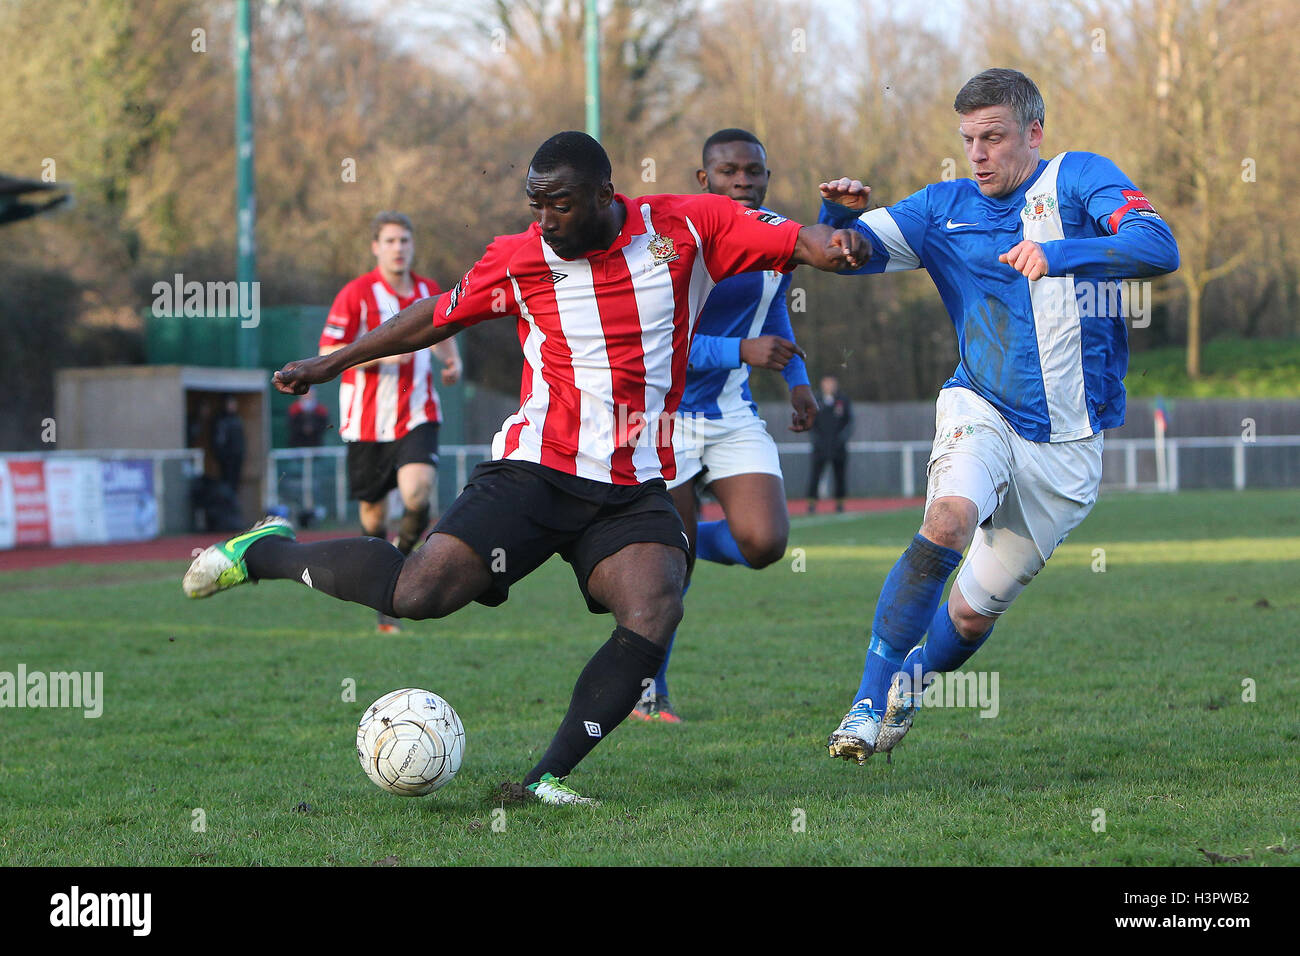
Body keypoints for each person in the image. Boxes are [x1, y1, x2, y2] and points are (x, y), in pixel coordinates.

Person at [182, 131, 868, 805]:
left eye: (559, 204)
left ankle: (542, 780)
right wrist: (331, 362)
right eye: (535, 203)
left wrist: (838, 244)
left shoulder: (688, 225)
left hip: (632, 484)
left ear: (606, 195)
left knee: (655, 604)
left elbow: (796, 243)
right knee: (419, 595)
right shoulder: (521, 257)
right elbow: (437, 316)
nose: (544, 219)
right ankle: (264, 552)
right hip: (536, 469)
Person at [818, 68, 1178, 764]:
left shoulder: (1079, 179)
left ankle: (914, 683)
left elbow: (1158, 246)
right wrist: (838, 217)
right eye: (968, 139)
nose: (978, 154)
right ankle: (865, 702)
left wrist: (1060, 254)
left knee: (972, 615)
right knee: (946, 520)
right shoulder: (940, 208)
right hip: (980, 404)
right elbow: (844, 254)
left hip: (1069, 448)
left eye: (993, 138)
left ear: (1033, 134)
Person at [628, 128, 815, 724]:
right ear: (703, 180)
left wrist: (798, 378)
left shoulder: (777, 234)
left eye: (753, 171)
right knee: (666, 580)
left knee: (765, 543)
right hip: (664, 417)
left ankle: (695, 546)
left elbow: (774, 303)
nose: (742, 181)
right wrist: (743, 351)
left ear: (766, 176)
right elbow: (661, 341)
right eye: (729, 172)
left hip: (731, 411)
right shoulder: (669, 243)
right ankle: (647, 695)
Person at [320, 211, 463, 633]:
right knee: (372, 516)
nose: (399, 248)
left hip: (417, 413)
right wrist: (383, 354)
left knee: (418, 492)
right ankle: (385, 588)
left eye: (405, 240)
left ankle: (401, 565)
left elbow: (443, 325)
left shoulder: (427, 290)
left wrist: (449, 358)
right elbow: (329, 349)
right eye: (390, 241)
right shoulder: (356, 294)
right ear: (375, 247)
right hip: (367, 422)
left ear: (412, 245)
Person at [806, 374, 852, 513]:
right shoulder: (815, 401)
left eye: (831, 383)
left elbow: (849, 422)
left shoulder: (843, 401)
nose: (829, 386)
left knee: (840, 476)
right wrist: (817, 440)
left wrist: (841, 439)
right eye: (827, 383)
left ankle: (840, 503)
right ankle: (812, 504)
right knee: (815, 475)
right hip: (820, 447)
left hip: (838, 447)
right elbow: (810, 423)